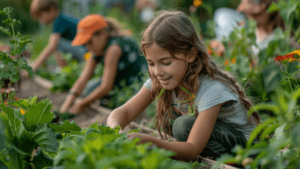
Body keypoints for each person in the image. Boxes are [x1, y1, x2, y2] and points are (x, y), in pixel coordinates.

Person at [107, 11, 261, 161]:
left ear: (190, 55)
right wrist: (116, 131)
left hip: (248, 149)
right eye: (151, 63)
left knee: (182, 125)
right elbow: (124, 112)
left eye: (166, 62)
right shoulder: (161, 80)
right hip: (215, 140)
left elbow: (192, 149)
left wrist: (151, 143)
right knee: (168, 117)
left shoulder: (211, 89)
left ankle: (234, 162)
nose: (157, 72)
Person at [59, 14, 147, 114]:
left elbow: (106, 87)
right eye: (85, 44)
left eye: (90, 42)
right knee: (89, 88)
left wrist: (82, 104)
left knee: (119, 103)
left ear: (102, 34)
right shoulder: (97, 49)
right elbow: (82, 79)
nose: (88, 47)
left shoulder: (114, 48)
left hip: (136, 84)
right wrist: (65, 106)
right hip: (119, 81)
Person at [211, 0, 284, 65]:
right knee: (221, 15)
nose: (239, 9)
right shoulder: (247, 27)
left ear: (262, 6)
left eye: (245, 2)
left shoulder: (279, 39)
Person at [26, 0, 87, 75]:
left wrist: (34, 66)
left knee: (57, 44)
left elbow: (51, 46)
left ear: (51, 9)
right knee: (58, 44)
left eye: (41, 16)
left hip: (86, 52)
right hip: (83, 51)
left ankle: (65, 72)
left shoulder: (59, 21)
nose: (40, 21)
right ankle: (66, 71)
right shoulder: (61, 18)